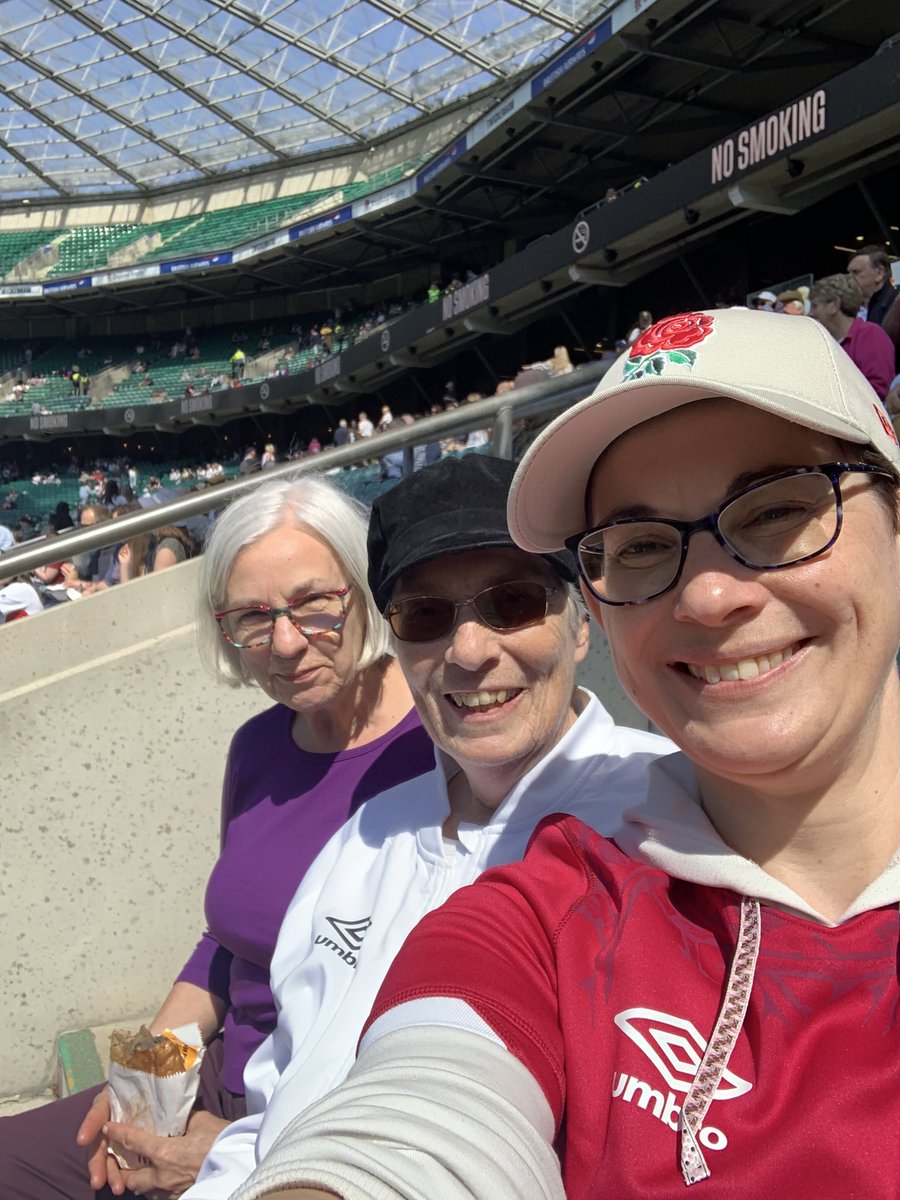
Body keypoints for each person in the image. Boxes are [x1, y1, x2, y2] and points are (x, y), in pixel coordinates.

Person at [235, 309, 900, 1199]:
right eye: (641, 547)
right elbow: (412, 1120)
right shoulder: (551, 905)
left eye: (776, 510)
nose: (706, 592)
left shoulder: (596, 818)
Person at [171, 453, 672, 1200]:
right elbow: (283, 1076)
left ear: (580, 625)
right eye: (427, 617)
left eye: (511, 603)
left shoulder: (664, 818)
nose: (469, 652)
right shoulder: (365, 833)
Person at [0, 474, 435, 1200]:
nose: (287, 643)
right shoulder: (259, 747)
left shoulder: (440, 750)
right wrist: (145, 1078)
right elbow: (227, 944)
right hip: (216, 1078)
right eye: (254, 617)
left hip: (328, 1129)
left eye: (315, 604)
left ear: (365, 590)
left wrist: (241, 1151)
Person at [809, 273, 895, 399]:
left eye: (815, 305)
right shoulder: (822, 341)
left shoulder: (871, 335)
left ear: (834, 304)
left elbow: (878, 390)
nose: (811, 313)